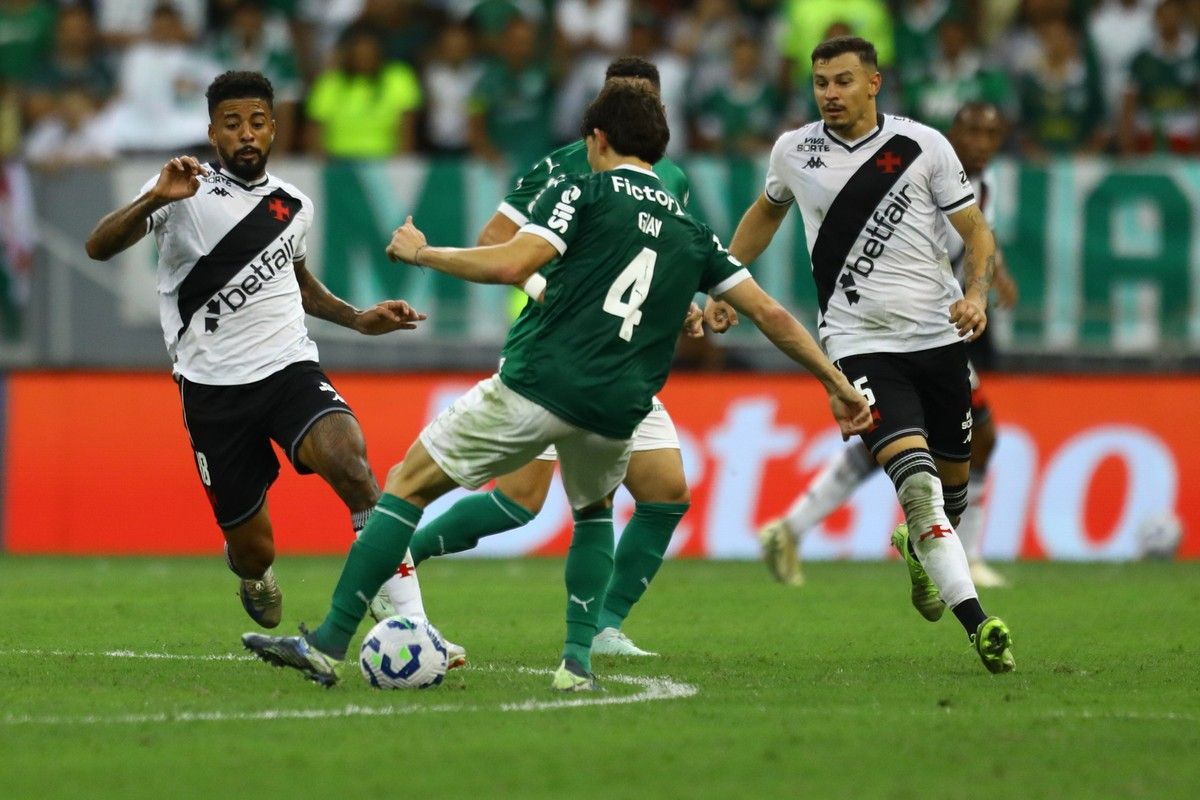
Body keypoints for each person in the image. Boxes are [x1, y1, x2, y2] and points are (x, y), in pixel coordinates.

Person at [241, 80, 872, 691]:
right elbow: (772, 315)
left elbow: (512, 260)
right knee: (593, 510)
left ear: (598, 139)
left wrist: (423, 253)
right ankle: (576, 662)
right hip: (619, 406)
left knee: (405, 484)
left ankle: (327, 642)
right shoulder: (691, 229)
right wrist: (836, 383)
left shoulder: (585, 191)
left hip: (541, 384)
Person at [83, 70, 464, 667]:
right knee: (253, 549)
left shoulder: (294, 205)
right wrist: (155, 197)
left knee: (355, 468)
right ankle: (253, 574)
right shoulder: (181, 190)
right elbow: (98, 247)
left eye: (257, 122)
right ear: (212, 130)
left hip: (289, 369)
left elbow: (298, 281)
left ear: (274, 128)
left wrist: (358, 318)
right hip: (212, 389)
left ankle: (412, 624)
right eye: (232, 123)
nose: (246, 134)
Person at [720, 36, 1015, 673]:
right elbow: (765, 215)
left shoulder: (922, 145)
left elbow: (976, 232)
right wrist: (723, 281)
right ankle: (980, 626)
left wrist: (978, 292)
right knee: (918, 488)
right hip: (859, 345)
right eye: (821, 82)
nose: (830, 93)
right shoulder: (794, 151)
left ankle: (921, 549)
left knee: (952, 495)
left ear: (874, 83)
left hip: (939, 341)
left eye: (843, 81)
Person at [402, 57, 705, 659]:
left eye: (647, 100)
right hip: (558, 348)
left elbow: (655, 261)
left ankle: (606, 627)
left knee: (666, 491)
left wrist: (684, 305)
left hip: (626, 356)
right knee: (520, 501)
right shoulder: (561, 167)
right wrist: (551, 291)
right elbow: (496, 241)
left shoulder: (670, 175)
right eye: (625, 99)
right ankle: (404, 557)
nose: (638, 111)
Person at [758, 101, 1019, 590]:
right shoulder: (927, 162)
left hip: (937, 328)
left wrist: (992, 273)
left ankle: (793, 527)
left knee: (902, 441)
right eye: (974, 133)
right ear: (954, 135)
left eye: (992, 134)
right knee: (971, 438)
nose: (983, 144)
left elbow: (972, 237)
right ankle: (963, 552)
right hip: (908, 331)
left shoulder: (980, 184)